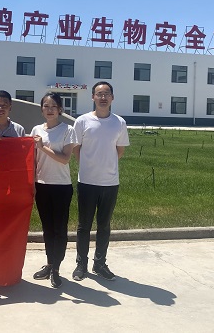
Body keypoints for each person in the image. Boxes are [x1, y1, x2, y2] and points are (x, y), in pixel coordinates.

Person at [71, 81, 129, 282]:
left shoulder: (119, 123)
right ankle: (81, 264)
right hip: (87, 182)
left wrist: (106, 166)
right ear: (93, 97)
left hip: (110, 183)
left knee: (104, 226)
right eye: (99, 94)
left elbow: (119, 150)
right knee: (84, 226)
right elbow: (76, 148)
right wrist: (88, 166)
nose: (103, 97)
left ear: (112, 97)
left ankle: (100, 263)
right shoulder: (82, 121)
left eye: (106, 94)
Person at [30, 92, 77, 289]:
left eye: (53, 106)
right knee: (47, 229)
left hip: (61, 186)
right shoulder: (36, 130)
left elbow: (65, 159)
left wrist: (42, 147)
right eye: (46, 106)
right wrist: (32, 182)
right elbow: (32, 160)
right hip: (42, 185)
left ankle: (57, 269)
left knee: (60, 229)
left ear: (60, 109)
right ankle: (49, 263)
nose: (50, 110)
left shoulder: (68, 130)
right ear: (41, 109)